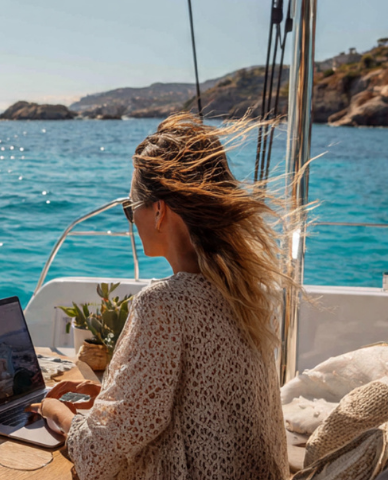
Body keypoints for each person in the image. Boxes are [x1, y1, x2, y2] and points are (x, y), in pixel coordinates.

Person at [28, 114, 290, 480]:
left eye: (130, 207)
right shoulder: (245, 291)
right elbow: (202, 402)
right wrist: (109, 396)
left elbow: (96, 456)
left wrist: (55, 411)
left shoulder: (164, 304)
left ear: (159, 210)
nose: (131, 219)